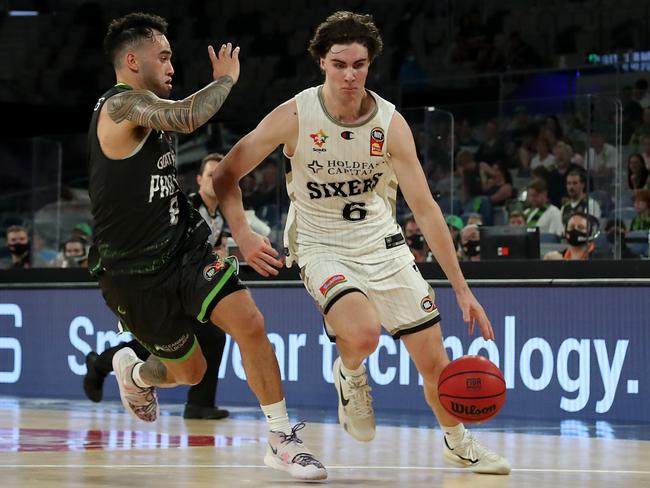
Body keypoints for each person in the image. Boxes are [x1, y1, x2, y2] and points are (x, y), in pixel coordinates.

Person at [213, 11, 509, 475]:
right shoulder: (295, 115)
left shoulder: (390, 124)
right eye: (339, 64)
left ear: (370, 65)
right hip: (319, 242)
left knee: (435, 361)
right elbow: (224, 174)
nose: (350, 75)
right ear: (322, 64)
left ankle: (458, 441)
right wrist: (244, 234)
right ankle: (350, 373)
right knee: (364, 332)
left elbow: (427, 210)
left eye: (359, 65)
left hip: (381, 242)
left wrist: (463, 289)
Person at [87, 13, 325, 480]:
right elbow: (189, 115)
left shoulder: (146, 104)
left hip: (183, 247)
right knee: (189, 373)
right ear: (133, 61)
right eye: (165, 56)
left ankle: (281, 438)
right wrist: (226, 81)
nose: (172, 65)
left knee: (250, 323)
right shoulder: (120, 108)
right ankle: (133, 374)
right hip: (134, 275)